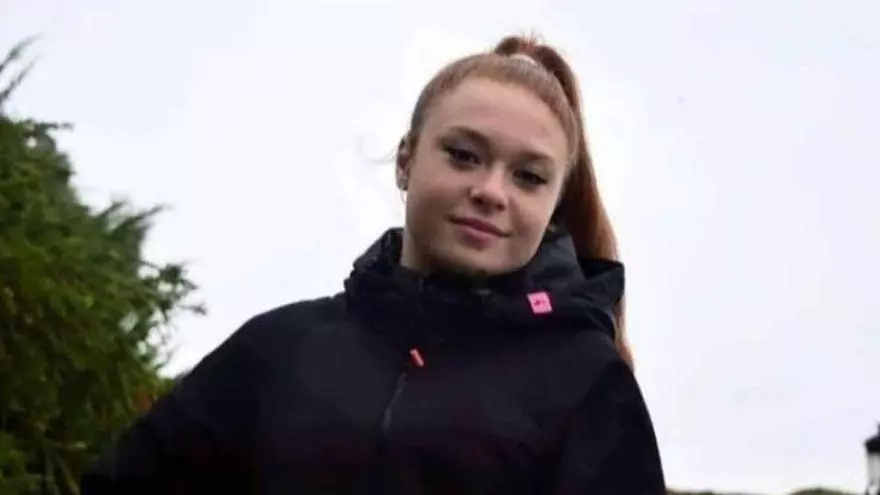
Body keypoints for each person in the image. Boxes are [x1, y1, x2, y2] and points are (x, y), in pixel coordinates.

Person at [80, 34, 665, 494]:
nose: (492, 191)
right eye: (463, 155)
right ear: (406, 162)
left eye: (529, 177)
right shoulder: (278, 348)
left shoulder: (586, 383)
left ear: (553, 206)